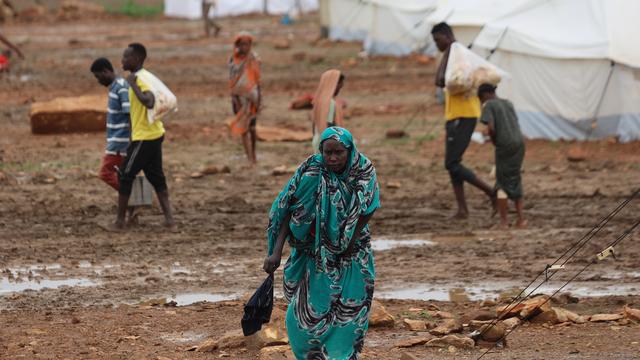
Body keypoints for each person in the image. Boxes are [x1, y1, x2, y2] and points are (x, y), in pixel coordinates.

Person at [263, 127, 380, 359]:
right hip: (314, 255)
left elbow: (369, 208)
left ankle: (341, 356)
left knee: (351, 312)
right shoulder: (312, 171)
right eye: (328, 152)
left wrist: (348, 241)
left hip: (352, 255)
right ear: (321, 151)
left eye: (339, 152)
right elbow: (287, 210)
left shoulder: (363, 171)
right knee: (301, 317)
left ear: (350, 150)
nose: (333, 158)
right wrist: (275, 252)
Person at [431, 22, 495, 219]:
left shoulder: (458, 55)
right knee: (453, 163)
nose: (437, 45)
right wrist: (447, 51)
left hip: (464, 114)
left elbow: (440, 80)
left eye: (438, 40)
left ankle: (490, 192)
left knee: (452, 163)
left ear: (447, 36)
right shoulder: (453, 53)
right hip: (455, 115)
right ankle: (462, 209)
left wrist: (449, 50)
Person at [113, 43, 175, 230]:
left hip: (145, 137)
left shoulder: (139, 79)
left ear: (137, 59)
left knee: (125, 175)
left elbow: (149, 102)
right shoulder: (144, 76)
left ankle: (120, 222)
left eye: (126, 57)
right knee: (156, 177)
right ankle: (170, 220)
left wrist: (133, 85)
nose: (122, 60)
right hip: (152, 134)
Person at [90, 57, 139, 223]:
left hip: (120, 142)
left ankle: (132, 198)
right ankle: (131, 209)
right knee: (122, 175)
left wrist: (132, 140)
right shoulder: (115, 87)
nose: (98, 81)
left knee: (106, 173)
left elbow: (129, 114)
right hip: (117, 140)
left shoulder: (121, 88)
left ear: (106, 71)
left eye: (98, 76)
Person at [478, 84, 526, 229]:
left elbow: (491, 128)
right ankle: (521, 220)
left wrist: (490, 137)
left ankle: (504, 222)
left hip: (504, 145)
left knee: (501, 183)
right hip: (519, 143)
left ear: (485, 95)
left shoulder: (489, 105)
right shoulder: (508, 103)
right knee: (515, 178)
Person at [228, 32, 261, 165]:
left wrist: (259, 99)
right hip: (239, 98)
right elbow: (232, 81)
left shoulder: (254, 59)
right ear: (237, 45)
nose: (244, 47)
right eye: (241, 44)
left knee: (252, 128)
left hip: (252, 98)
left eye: (246, 44)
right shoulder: (233, 61)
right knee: (243, 128)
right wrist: (235, 99)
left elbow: (258, 81)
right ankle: (249, 157)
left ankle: (253, 153)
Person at [311, 69, 344, 151]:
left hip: (318, 140)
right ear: (333, 84)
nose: (339, 89)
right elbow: (330, 126)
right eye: (339, 86)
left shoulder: (319, 100)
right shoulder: (330, 103)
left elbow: (314, 124)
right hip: (328, 145)